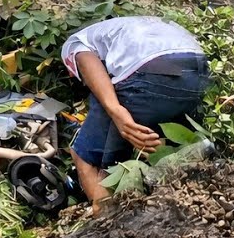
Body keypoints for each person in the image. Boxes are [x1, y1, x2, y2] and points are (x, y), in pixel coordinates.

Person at [62, 16, 210, 213]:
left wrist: (116, 111)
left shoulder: (75, 42)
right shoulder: (131, 27)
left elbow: (86, 61)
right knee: (162, 147)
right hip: (197, 73)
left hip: (148, 70)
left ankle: (104, 220)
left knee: (87, 157)